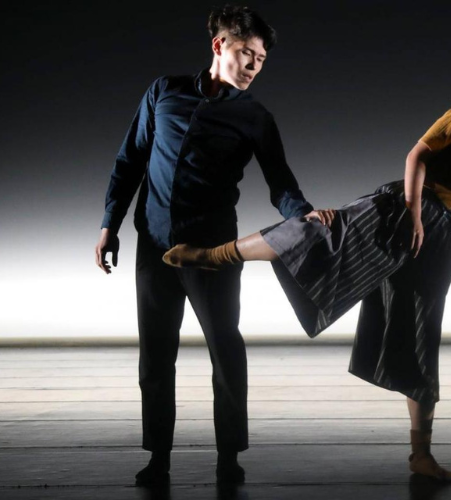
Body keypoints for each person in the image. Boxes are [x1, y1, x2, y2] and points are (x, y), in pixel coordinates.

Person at [163, 91, 451, 481]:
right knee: (316, 236)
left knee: (420, 337)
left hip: (437, 237)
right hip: (400, 209)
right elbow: (418, 155)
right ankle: (209, 256)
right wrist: (413, 213)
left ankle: (421, 455)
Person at [93, 5, 333, 486]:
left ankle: (228, 457)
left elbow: (280, 183)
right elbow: (130, 160)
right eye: (247, 53)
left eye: (261, 60)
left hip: (214, 252)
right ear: (219, 46)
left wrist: (302, 213)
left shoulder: (255, 117)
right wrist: (109, 224)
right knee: (156, 355)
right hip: (154, 247)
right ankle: (158, 458)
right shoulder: (164, 91)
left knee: (226, 349)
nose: (253, 65)